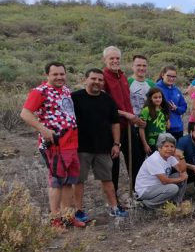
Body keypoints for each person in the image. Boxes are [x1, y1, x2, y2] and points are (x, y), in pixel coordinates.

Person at [20, 62, 85, 228]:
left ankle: (67, 217)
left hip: (71, 144)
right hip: (54, 145)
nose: (59, 77)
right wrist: (43, 130)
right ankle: (55, 220)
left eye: (62, 74)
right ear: (47, 75)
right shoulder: (40, 92)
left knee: (69, 181)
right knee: (57, 181)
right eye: (55, 74)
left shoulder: (65, 90)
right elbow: (25, 113)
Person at [71, 68, 127, 221]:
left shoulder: (108, 100)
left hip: (103, 147)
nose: (97, 82)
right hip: (81, 148)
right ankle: (78, 211)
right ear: (86, 80)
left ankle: (114, 207)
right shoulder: (74, 98)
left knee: (107, 179)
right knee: (79, 180)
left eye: (100, 80)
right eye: (93, 79)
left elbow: (114, 123)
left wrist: (116, 143)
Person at [102, 45, 144, 196]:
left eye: (117, 58)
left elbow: (127, 101)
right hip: (113, 126)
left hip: (128, 125)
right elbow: (104, 105)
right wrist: (126, 114)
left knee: (136, 158)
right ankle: (114, 198)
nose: (115, 61)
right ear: (105, 60)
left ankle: (137, 191)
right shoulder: (103, 77)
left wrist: (132, 117)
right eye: (111, 58)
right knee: (113, 164)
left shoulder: (123, 76)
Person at [134, 133, 188, 209]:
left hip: (157, 186)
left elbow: (182, 170)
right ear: (159, 148)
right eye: (166, 146)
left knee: (182, 176)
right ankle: (147, 204)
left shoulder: (169, 157)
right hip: (145, 189)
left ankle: (176, 202)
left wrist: (181, 156)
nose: (169, 149)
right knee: (173, 188)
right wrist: (181, 179)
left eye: (172, 146)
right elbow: (164, 181)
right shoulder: (154, 159)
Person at [155, 66, 187, 140]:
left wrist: (176, 108)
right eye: (169, 76)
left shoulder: (176, 90)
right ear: (163, 75)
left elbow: (184, 107)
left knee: (177, 151)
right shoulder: (156, 88)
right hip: (162, 129)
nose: (171, 78)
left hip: (178, 128)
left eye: (174, 76)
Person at [138, 87, 170, 155]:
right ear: (150, 98)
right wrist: (145, 144)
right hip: (151, 143)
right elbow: (141, 129)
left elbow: (167, 125)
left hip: (163, 142)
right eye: (155, 97)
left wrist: (168, 123)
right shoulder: (146, 110)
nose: (158, 99)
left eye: (160, 97)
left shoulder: (163, 109)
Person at [128, 55, 155, 120]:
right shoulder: (127, 82)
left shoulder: (151, 84)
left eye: (144, 65)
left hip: (149, 122)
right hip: (133, 123)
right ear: (132, 67)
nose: (142, 68)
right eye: (138, 65)